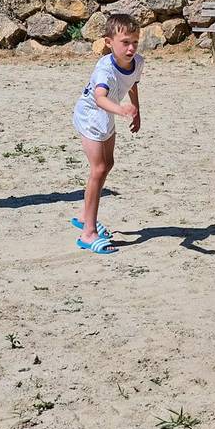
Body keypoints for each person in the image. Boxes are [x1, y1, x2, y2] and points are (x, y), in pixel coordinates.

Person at [70, 13, 144, 254]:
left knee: (107, 164)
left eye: (135, 41)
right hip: (91, 114)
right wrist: (121, 109)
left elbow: (132, 83)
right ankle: (88, 234)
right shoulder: (105, 69)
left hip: (109, 114)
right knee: (99, 169)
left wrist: (136, 111)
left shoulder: (138, 61)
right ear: (108, 42)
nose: (131, 48)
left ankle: (84, 216)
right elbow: (99, 98)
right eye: (125, 42)